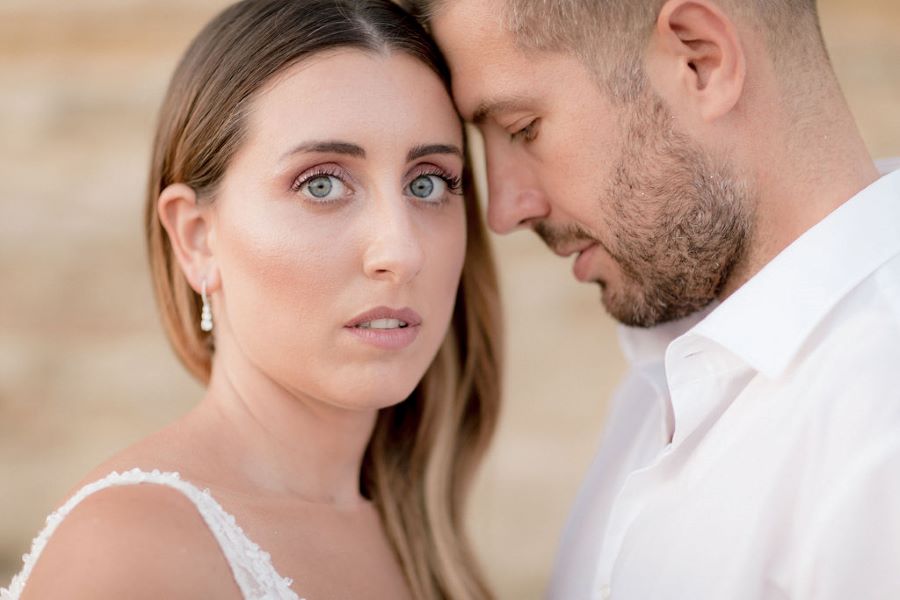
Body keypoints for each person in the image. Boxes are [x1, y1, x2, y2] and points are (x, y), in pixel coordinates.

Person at [1, 1, 501, 598]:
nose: (401, 250)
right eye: (321, 183)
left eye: (428, 183)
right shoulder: (132, 552)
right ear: (197, 237)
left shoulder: (419, 536)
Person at [408, 0, 900, 598]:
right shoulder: (667, 379)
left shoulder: (878, 423)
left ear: (700, 61)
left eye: (521, 129)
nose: (505, 209)